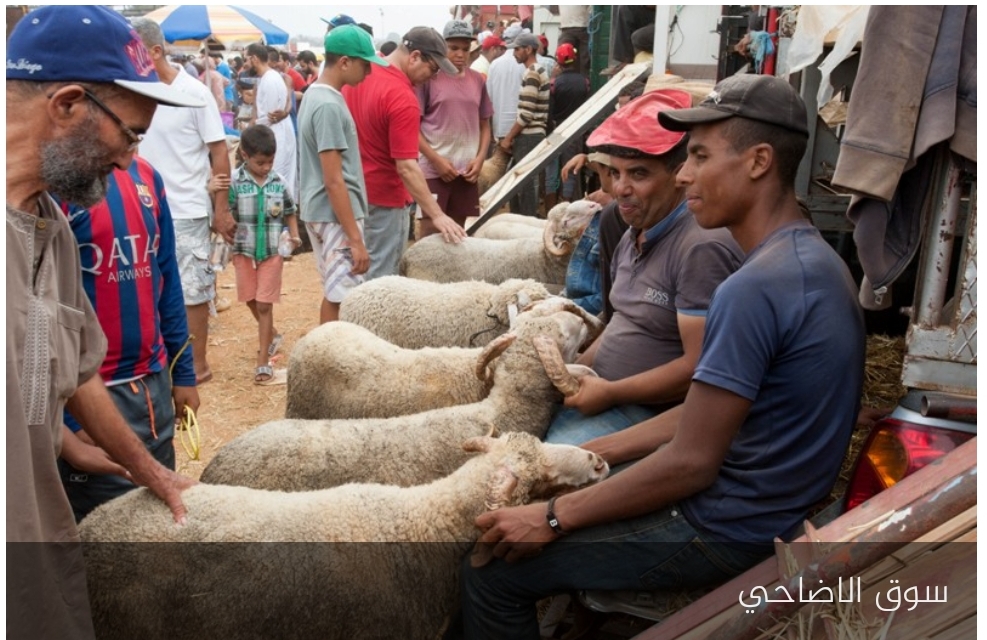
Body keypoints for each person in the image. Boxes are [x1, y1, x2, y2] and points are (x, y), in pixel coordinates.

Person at [454, 73, 866, 640]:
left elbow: (691, 463)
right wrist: (586, 456)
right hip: (769, 502)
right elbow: (705, 414)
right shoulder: (809, 261)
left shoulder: (753, 288)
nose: (686, 173)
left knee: (494, 572)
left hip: (725, 523)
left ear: (759, 161)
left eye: (698, 155)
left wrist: (550, 518)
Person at [6, 6, 198, 638]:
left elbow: (57, 373)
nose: (129, 161)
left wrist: (147, 471)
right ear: (66, 104)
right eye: (131, 135)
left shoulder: (49, 228)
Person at [543, 90, 743, 446]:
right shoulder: (635, 232)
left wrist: (610, 392)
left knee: (539, 467)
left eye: (638, 173)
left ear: (680, 174)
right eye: (615, 173)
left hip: (648, 414)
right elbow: (622, 320)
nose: (620, 188)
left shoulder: (699, 247)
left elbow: (698, 368)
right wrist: (571, 375)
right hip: (606, 397)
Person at [55, 157, 200, 522]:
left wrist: (183, 372)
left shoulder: (148, 175)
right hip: (92, 397)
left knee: (161, 515)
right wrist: (71, 427)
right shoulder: (56, 189)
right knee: (103, 528)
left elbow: (166, 275)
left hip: (153, 391)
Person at [132, 17, 234, 386]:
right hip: (142, 209)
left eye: (135, 51)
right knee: (149, 287)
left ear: (155, 52)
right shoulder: (132, 91)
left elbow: (219, 152)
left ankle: (197, 366)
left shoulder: (195, 93)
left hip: (187, 210)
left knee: (192, 291)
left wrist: (220, 209)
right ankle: (165, 360)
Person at [342, 26, 468, 281]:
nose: (432, 78)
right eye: (433, 69)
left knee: (353, 275)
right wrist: (437, 214)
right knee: (381, 282)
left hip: (352, 194)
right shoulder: (402, 97)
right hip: (385, 199)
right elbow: (407, 167)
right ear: (414, 56)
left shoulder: (361, 75)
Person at [298, 24, 387, 323]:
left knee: (336, 292)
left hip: (324, 209)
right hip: (334, 213)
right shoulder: (328, 105)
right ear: (345, 62)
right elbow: (334, 178)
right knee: (343, 297)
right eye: (365, 64)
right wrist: (355, 239)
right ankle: (332, 359)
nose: (368, 72)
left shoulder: (317, 96)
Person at [227, 125, 300, 385]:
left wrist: (294, 235)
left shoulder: (278, 182)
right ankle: (272, 335)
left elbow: (290, 210)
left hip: (271, 251)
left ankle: (263, 361)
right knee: (249, 298)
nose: (266, 167)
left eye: (270, 161)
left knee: (264, 303)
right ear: (245, 156)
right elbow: (225, 210)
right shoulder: (235, 181)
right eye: (260, 162)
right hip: (243, 249)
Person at [416, 20, 494, 236]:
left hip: (466, 172)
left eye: (466, 49)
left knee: (457, 232)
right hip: (434, 171)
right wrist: (436, 160)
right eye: (454, 48)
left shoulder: (478, 80)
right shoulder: (429, 79)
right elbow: (413, 128)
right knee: (431, 231)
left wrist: (480, 160)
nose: (460, 54)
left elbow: (485, 125)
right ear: (442, 47)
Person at [498, 32, 551, 216]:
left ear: (528, 50)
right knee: (523, 183)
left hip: (530, 135)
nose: (514, 53)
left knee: (524, 185)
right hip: (532, 134)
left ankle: (524, 221)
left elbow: (526, 114)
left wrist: (508, 138)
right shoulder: (537, 70)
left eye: (517, 49)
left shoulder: (533, 72)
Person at [244, 43, 297, 199]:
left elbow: (270, 117)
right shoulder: (266, 78)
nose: (245, 64)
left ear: (254, 58)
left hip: (274, 136)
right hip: (273, 134)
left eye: (246, 59)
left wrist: (250, 128)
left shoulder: (270, 79)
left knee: (275, 182)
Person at [550, 42, 591, 202]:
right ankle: (567, 200)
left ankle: (554, 203)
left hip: (557, 128)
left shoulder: (554, 83)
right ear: (574, 59)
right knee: (571, 166)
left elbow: (550, 109)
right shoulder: (585, 82)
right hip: (576, 129)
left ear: (558, 62)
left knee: (552, 169)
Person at [486, 24, 525, 144]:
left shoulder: (494, 65)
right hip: (522, 128)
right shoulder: (525, 64)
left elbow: (488, 99)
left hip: (500, 127)